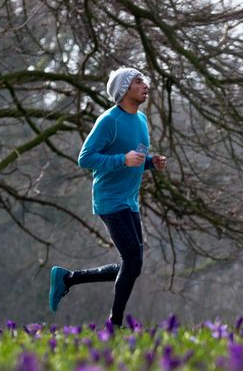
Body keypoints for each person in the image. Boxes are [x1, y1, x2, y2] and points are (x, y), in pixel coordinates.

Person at [48, 67, 167, 325]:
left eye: (144, 80)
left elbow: (134, 158)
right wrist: (121, 160)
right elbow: (85, 158)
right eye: (138, 81)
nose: (145, 85)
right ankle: (114, 324)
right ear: (124, 89)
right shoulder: (109, 120)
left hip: (129, 200)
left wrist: (150, 162)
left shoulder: (142, 120)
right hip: (110, 200)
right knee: (132, 260)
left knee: (132, 266)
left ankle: (68, 279)